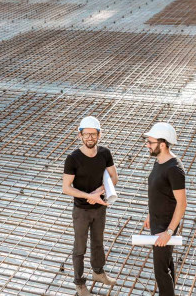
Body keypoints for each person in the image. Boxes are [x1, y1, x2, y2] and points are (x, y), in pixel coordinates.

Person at [62, 116, 118, 296]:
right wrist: (89, 196)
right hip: (81, 211)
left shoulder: (105, 153)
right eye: (86, 134)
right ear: (80, 135)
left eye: (93, 134)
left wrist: (99, 193)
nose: (90, 138)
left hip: (100, 208)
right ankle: (79, 283)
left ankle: (98, 273)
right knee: (80, 248)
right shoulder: (73, 159)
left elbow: (114, 178)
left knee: (98, 243)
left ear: (99, 135)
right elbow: (66, 188)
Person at [142, 122, 187, 296]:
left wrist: (168, 232)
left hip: (165, 227)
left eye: (150, 142)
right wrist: (150, 214)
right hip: (157, 222)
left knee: (160, 271)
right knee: (167, 265)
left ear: (162, 144)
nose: (147, 145)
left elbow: (182, 203)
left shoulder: (174, 169)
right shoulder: (159, 162)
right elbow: (158, 192)